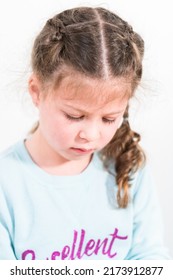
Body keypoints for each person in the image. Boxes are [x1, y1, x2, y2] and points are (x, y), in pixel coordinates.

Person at [0, 6, 170, 260]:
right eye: (75, 116)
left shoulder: (128, 165)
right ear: (37, 91)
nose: (91, 134)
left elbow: (150, 257)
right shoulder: (7, 182)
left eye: (109, 118)